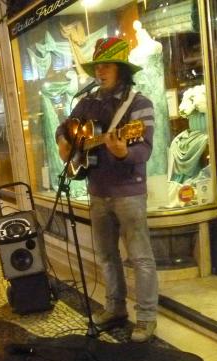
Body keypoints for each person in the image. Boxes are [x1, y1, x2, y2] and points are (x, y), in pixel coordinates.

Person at [55, 37, 158, 342]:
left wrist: (124, 151)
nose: (100, 71)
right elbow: (65, 128)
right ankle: (115, 308)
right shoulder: (88, 102)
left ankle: (147, 318)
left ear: (122, 70)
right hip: (97, 189)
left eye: (107, 66)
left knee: (140, 258)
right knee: (107, 255)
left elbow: (145, 150)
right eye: (98, 66)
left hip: (129, 193)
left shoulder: (140, 105)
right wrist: (65, 142)